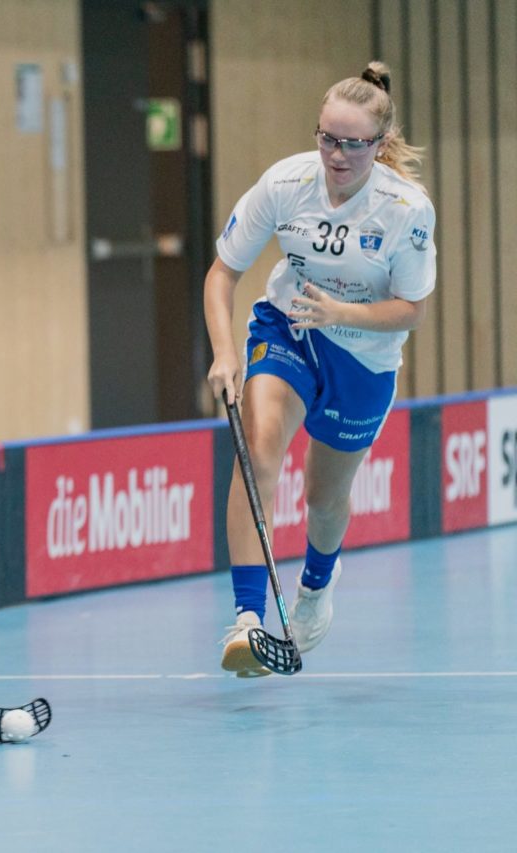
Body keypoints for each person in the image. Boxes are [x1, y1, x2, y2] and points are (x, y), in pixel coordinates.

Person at [203, 62, 437, 676]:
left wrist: (343, 310)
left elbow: (411, 311)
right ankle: (247, 619)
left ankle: (314, 587)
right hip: (291, 327)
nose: (335, 155)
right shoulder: (285, 184)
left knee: (324, 498)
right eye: (326, 138)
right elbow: (223, 272)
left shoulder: (406, 210)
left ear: (378, 146)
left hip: (363, 356)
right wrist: (227, 352)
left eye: (352, 144)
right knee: (257, 451)